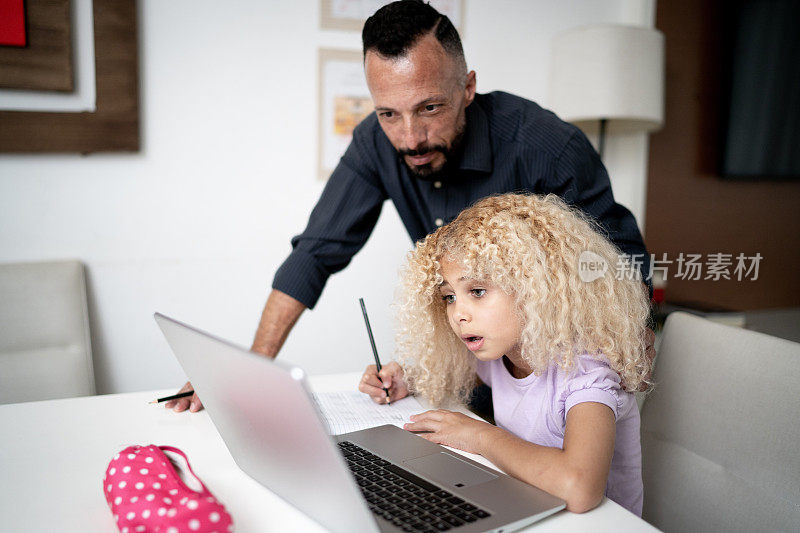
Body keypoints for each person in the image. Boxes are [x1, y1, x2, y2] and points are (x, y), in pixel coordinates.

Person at [167, 0, 652, 413]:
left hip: (562, 384)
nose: (410, 138)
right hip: (473, 379)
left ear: (467, 89)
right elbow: (315, 253)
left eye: (430, 108)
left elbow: (620, 272)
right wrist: (253, 369)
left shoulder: (546, 146)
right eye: (388, 114)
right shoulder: (375, 145)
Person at [359, 193, 651, 515]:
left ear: (538, 286)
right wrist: (407, 378)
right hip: (530, 504)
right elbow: (458, 373)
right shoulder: (502, 353)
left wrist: (480, 436)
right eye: (449, 297)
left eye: (478, 291)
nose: (459, 314)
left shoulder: (586, 371)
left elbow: (580, 488)